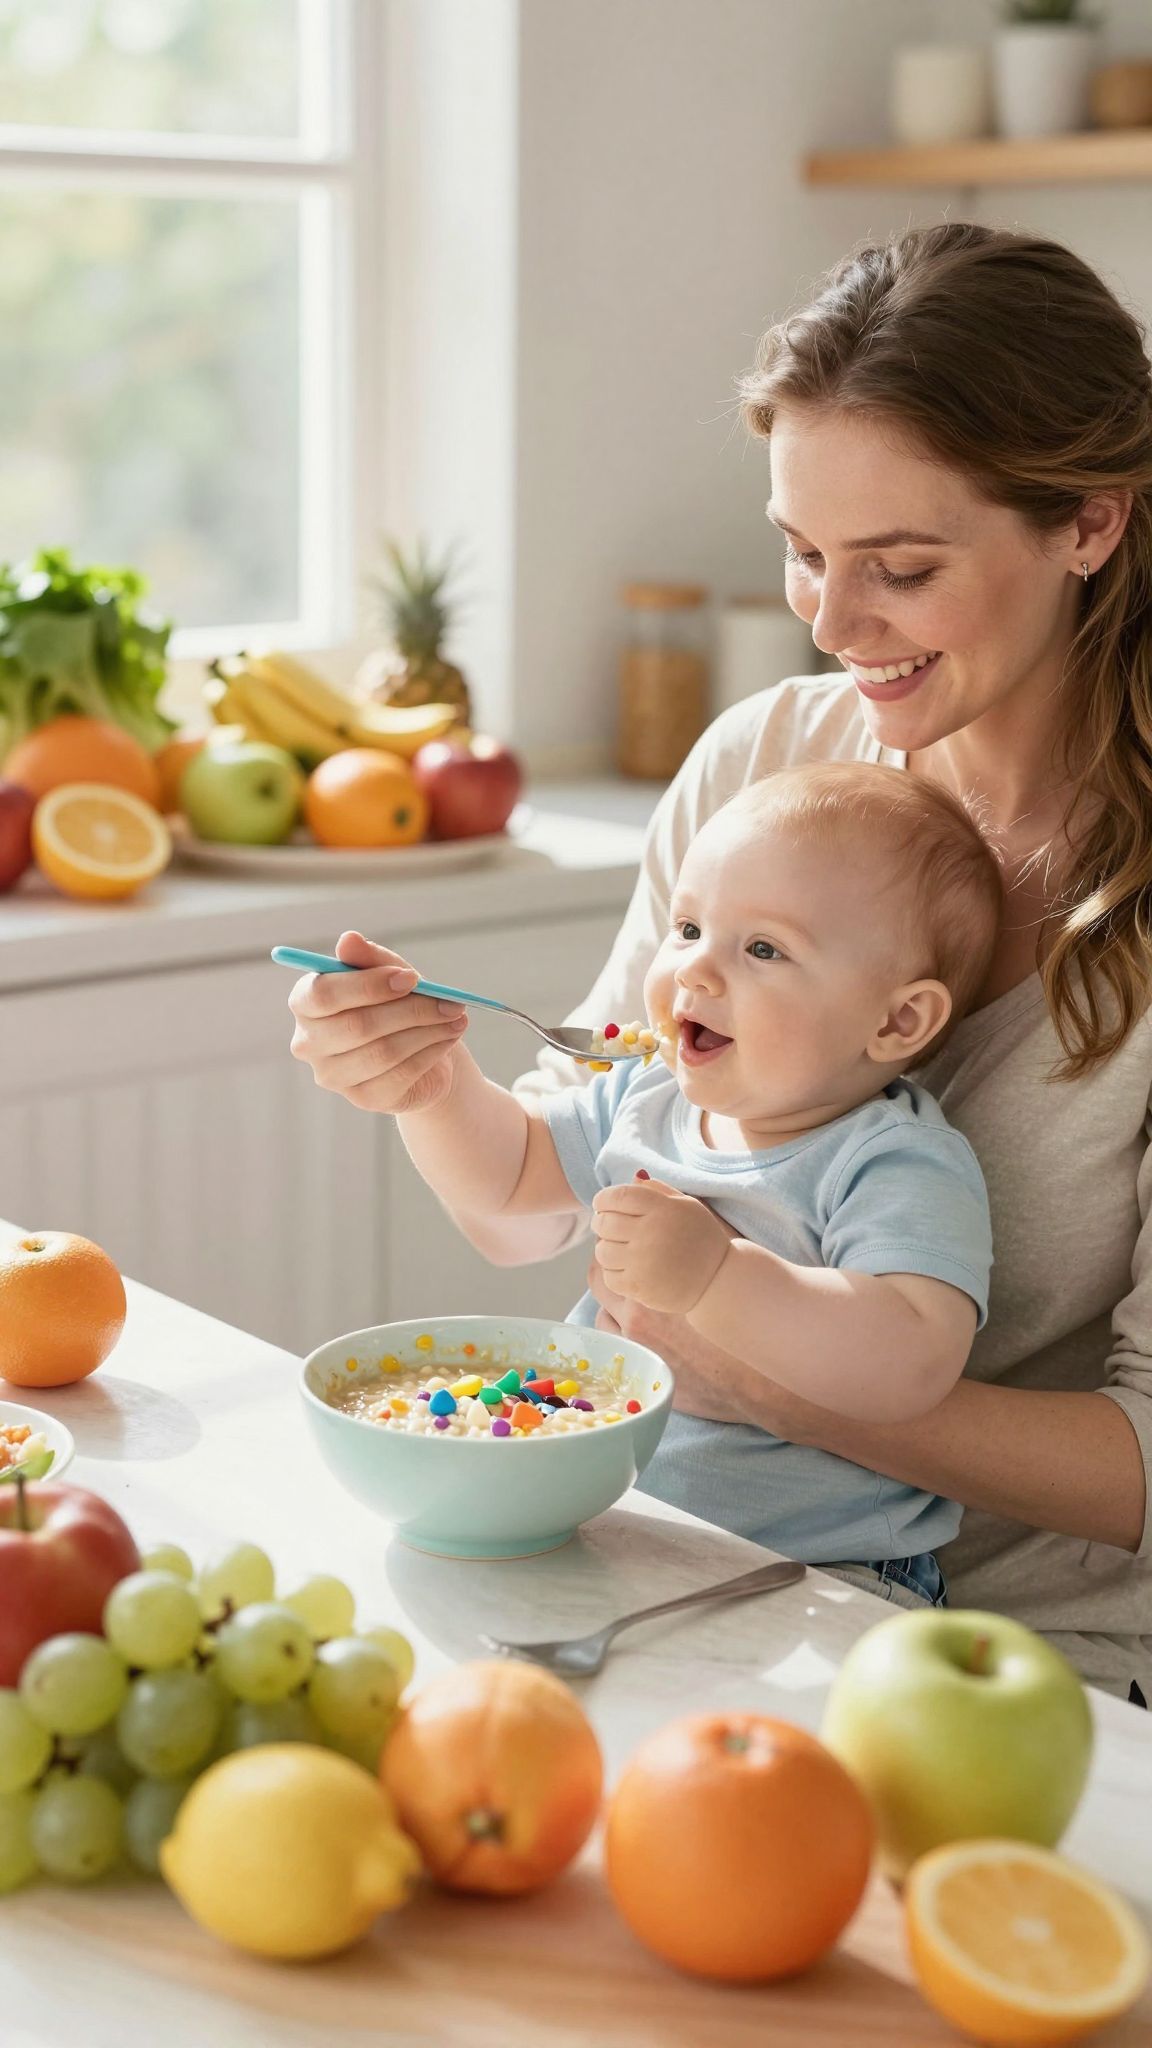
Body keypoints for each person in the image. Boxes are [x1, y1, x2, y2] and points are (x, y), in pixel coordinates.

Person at [289, 222, 1152, 1701]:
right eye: (804, 552)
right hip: (678, 1562)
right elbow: (555, 1186)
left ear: (1089, 521)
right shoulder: (768, 763)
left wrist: (772, 1379)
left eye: (899, 565)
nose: (830, 621)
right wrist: (427, 1079)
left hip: (1015, 1663)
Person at [292, 761, 1002, 1604]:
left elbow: (909, 1364)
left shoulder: (891, 1159)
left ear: (896, 1021)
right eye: (691, 927)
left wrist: (719, 1276)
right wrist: (437, 1089)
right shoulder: (648, 1093)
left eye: (763, 949)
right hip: (618, 1526)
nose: (697, 973)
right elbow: (510, 1177)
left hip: (824, 1575)